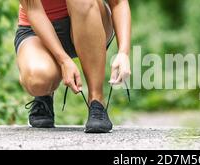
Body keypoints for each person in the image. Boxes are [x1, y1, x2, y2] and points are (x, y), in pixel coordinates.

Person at [14, 0, 131, 133]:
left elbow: (118, 3)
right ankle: (44, 97)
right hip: (37, 30)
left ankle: (96, 101)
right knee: (38, 80)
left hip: (91, 16)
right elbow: (34, 11)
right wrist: (63, 60)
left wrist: (123, 53)